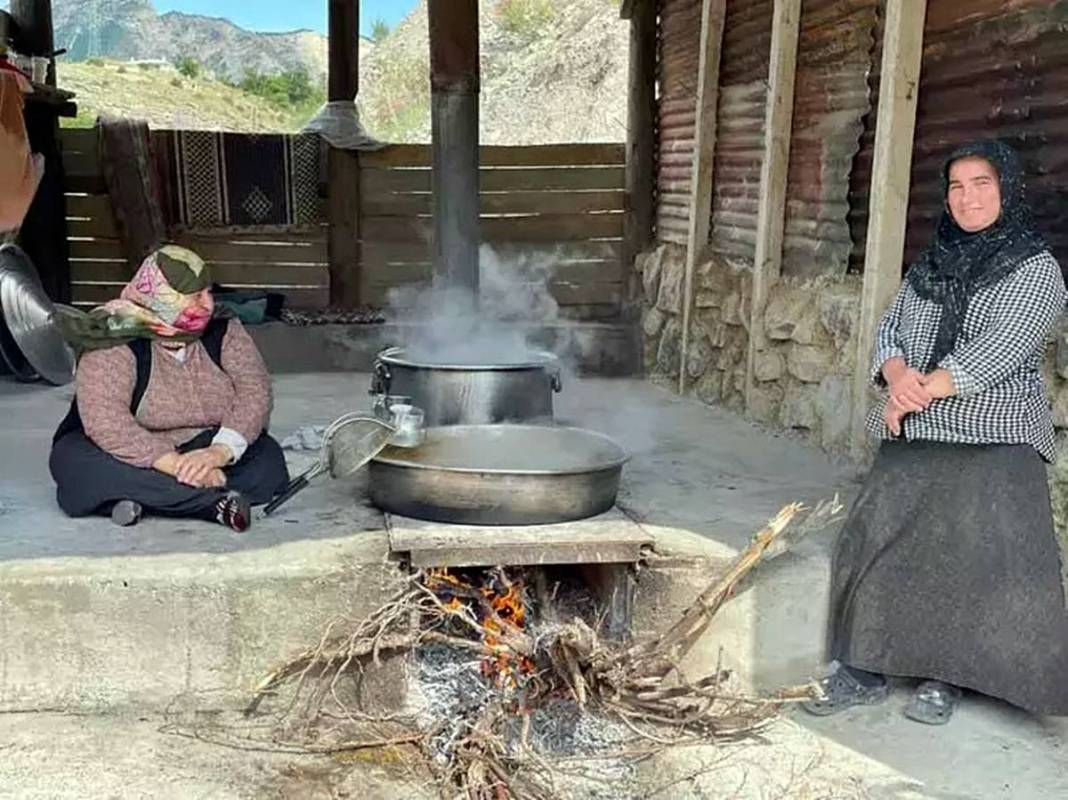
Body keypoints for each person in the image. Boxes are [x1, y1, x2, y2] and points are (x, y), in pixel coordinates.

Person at [804, 139, 1068, 724]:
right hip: (917, 419)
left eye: (982, 184)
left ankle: (945, 675)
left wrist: (919, 391)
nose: (967, 197)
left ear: (1007, 191)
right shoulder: (932, 261)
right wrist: (897, 376)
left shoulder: (1035, 268)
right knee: (874, 535)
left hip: (994, 430)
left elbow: (1004, 347)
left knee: (964, 551)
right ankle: (865, 666)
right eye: (956, 186)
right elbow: (891, 328)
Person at [50, 244, 289, 532]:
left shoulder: (223, 329)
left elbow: (255, 391)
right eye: (195, 297)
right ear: (162, 299)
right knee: (76, 465)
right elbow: (107, 423)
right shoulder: (113, 336)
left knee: (268, 461)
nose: (208, 305)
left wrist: (218, 453)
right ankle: (211, 503)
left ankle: (137, 499)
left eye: (208, 293)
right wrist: (176, 466)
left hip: (203, 443)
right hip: (124, 450)